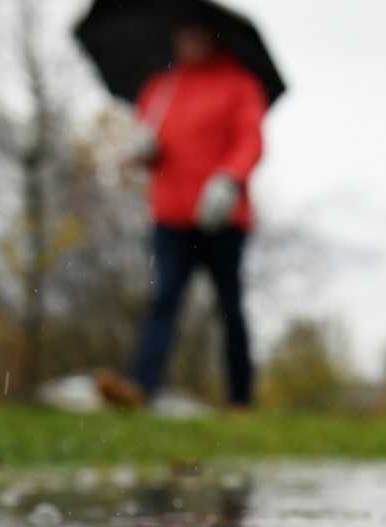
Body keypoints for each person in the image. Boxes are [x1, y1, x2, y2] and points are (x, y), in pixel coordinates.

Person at [98, 19, 268, 411]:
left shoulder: (239, 84)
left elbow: (252, 140)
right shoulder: (160, 88)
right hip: (171, 215)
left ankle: (240, 399)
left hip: (223, 215)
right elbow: (147, 147)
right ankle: (141, 389)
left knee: (230, 307)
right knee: (163, 299)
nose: (189, 39)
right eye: (183, 32)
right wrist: (142, 149)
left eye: (197, 32)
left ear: (212, 34)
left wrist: (229, 179)